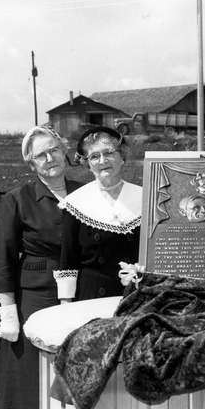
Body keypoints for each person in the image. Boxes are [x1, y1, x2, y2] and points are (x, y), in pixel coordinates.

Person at [0, 125, 82, 409]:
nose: (49, 160)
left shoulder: (87, 193)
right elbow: (3, 261)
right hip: (35, 298)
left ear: (64, 152)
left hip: (84, 293)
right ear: (31, 163)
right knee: (30, 382)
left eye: (53, 151)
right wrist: (8, 312)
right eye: (40, 155)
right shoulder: (18, 198)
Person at [55, 127, 142, 301]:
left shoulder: (144, 197)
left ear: (122, 156)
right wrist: (66, 304)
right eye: (94, 156)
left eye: (109, 152)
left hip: (137, 292)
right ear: (87, 163)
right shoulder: (75, 203)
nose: (102, 160)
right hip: (93, 296)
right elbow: (68, 262)